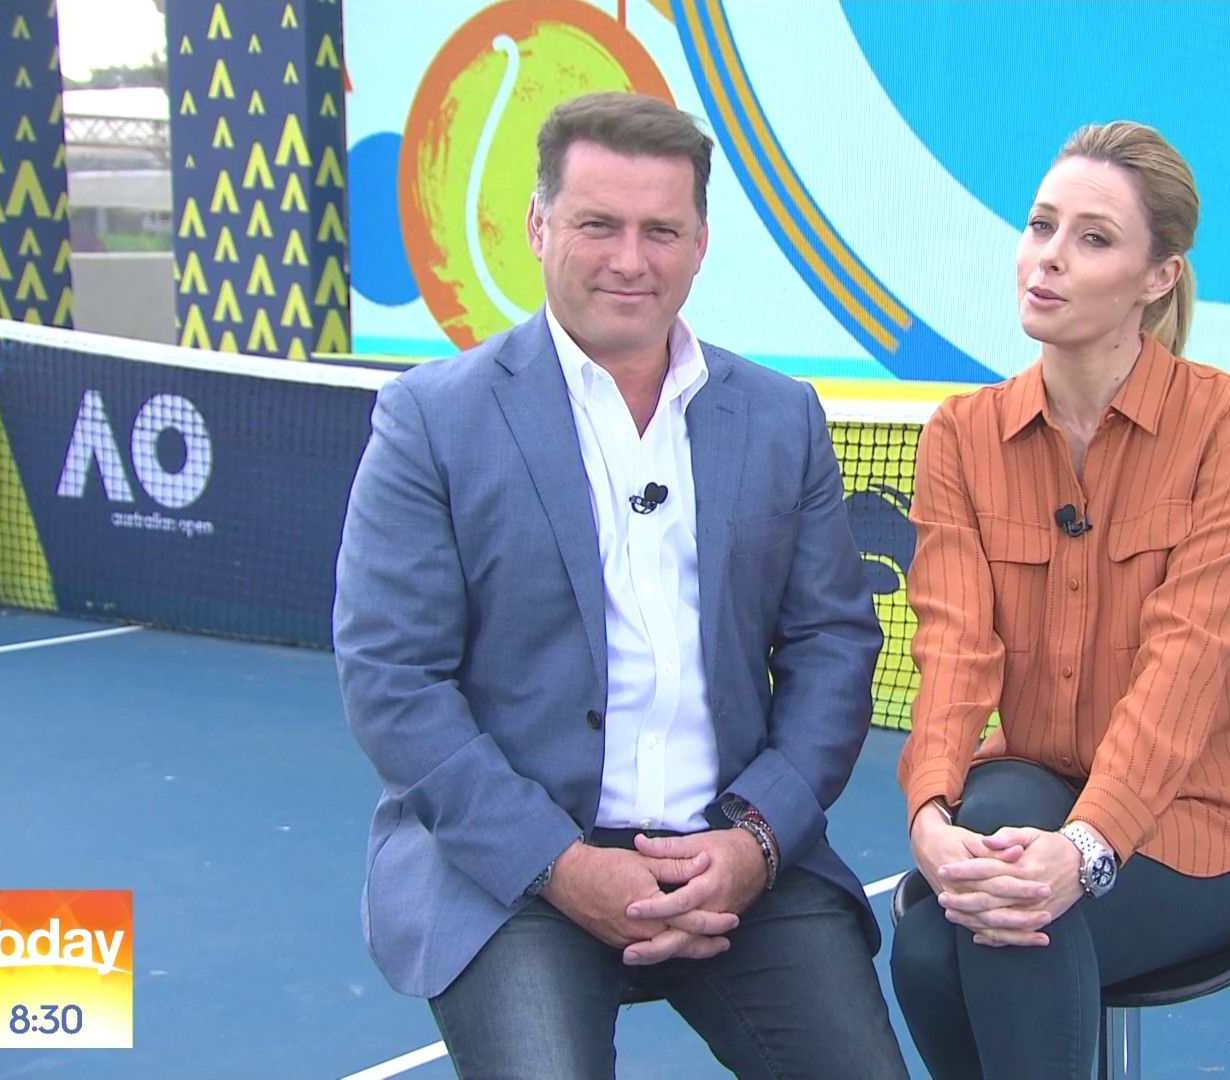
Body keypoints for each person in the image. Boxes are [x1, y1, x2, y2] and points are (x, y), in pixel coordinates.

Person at [334, 91, 907, 1080]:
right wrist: (557, 865)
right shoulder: (430, 420)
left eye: (661, 231)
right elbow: (393, 680)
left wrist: (755, 841)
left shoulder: (781, 418)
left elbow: (833, 646)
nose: (630, 260)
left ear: (700, 243)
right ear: (539, 226)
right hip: (514, 874)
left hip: (734, 860)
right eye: (598, 225)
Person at [890, 120, 1230, 1080]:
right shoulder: (960, 436)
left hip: (1191, 829)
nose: (1049, 257)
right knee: (951, 917)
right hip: (1028, 784)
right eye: (1041, 226)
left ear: (1158, 278)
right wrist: (929, 816)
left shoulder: (1229, 423)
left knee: (979, 937)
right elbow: (953, 653)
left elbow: (1187, 660)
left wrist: (1087, 847)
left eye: (1094, 238)